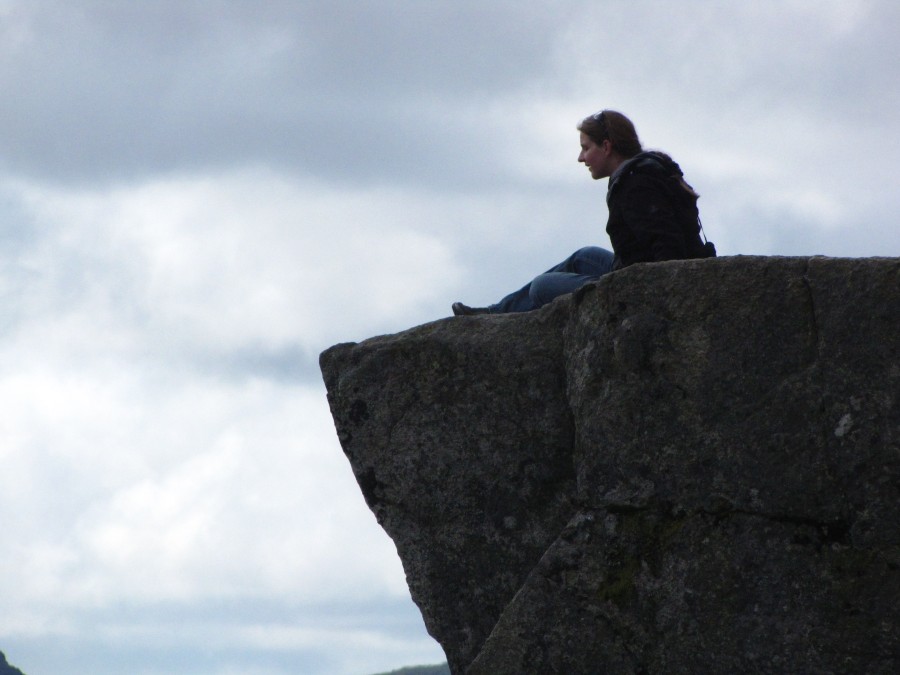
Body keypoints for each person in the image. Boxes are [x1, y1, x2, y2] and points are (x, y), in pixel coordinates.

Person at [452, 110, 714, 316]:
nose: (581, 158)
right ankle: (495, 312)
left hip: (639, 285)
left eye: (586, 148)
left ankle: (497, 316)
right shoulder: (640, 173)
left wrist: (659, 295)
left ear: (607, 146)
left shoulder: (636, 184)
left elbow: (668, 246)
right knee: (585, 256)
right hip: (633, 269)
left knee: (542, 287)